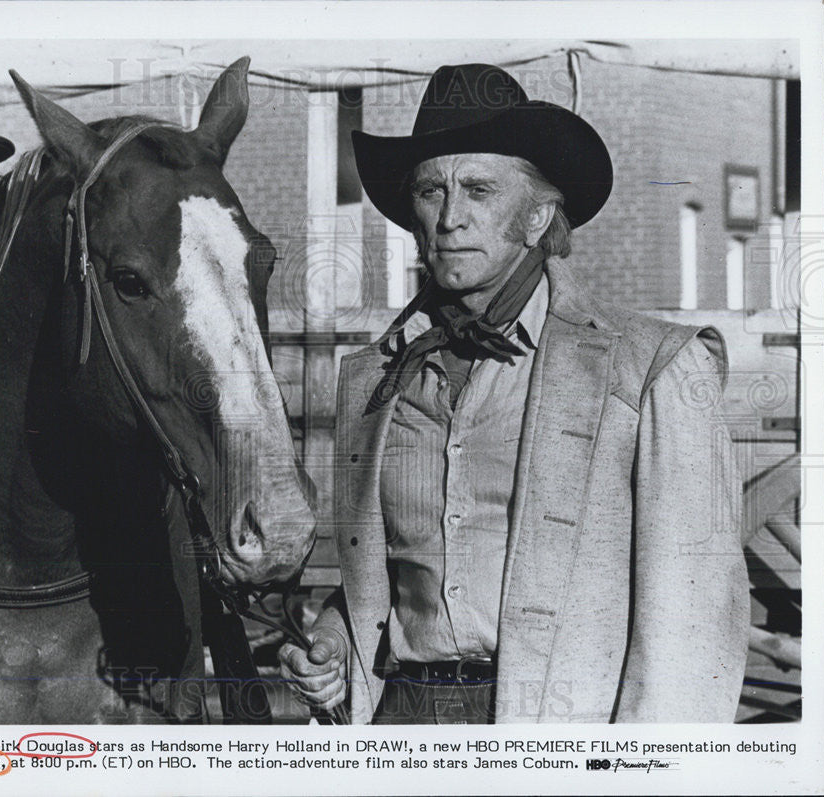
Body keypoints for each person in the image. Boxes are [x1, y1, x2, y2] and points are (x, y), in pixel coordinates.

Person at [278, 63, 750, 724]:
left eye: (477, 189)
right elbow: (392, 581)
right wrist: (334, 641)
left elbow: (691, 637)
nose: (449, 218)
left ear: (536, 216)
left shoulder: (652, 369)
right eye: (431, 190)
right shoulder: (371, 377)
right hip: (399, 725)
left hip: (553, 735)